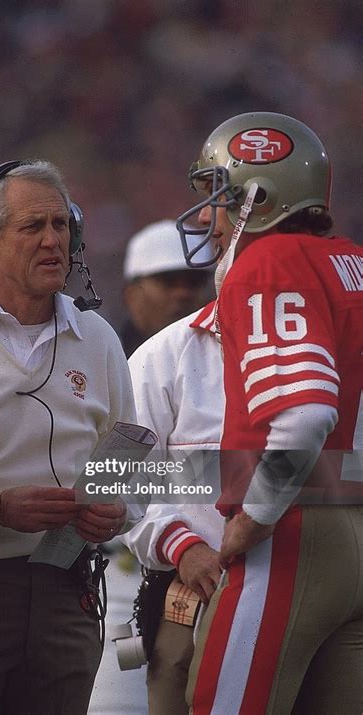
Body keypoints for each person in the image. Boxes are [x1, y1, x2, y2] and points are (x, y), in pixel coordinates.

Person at [0, 160, 141, 715]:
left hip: (67, 590)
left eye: (61, 225)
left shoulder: (98, 337)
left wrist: (117, 512)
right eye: (31, 227)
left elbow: (136, 468)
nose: (53, 241)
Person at [176, 111, 363, 714]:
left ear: (260, 197)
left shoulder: (269, 262)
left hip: (295, 530)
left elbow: (306, 412)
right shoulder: (349, 262)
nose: (208, 215)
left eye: (220, 195)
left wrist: (253, 517)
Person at [120, 298, 226, 715]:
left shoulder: (338, 344)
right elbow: (113, 480)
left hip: (315, 596)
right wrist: (183, 546)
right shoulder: (160, 355)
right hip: (189, 595)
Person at [120, 220, 214, 357]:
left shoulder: (225, 357)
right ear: (131, 295)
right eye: (168, 281)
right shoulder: (106, 360)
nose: (183, 293)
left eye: (195, 282)